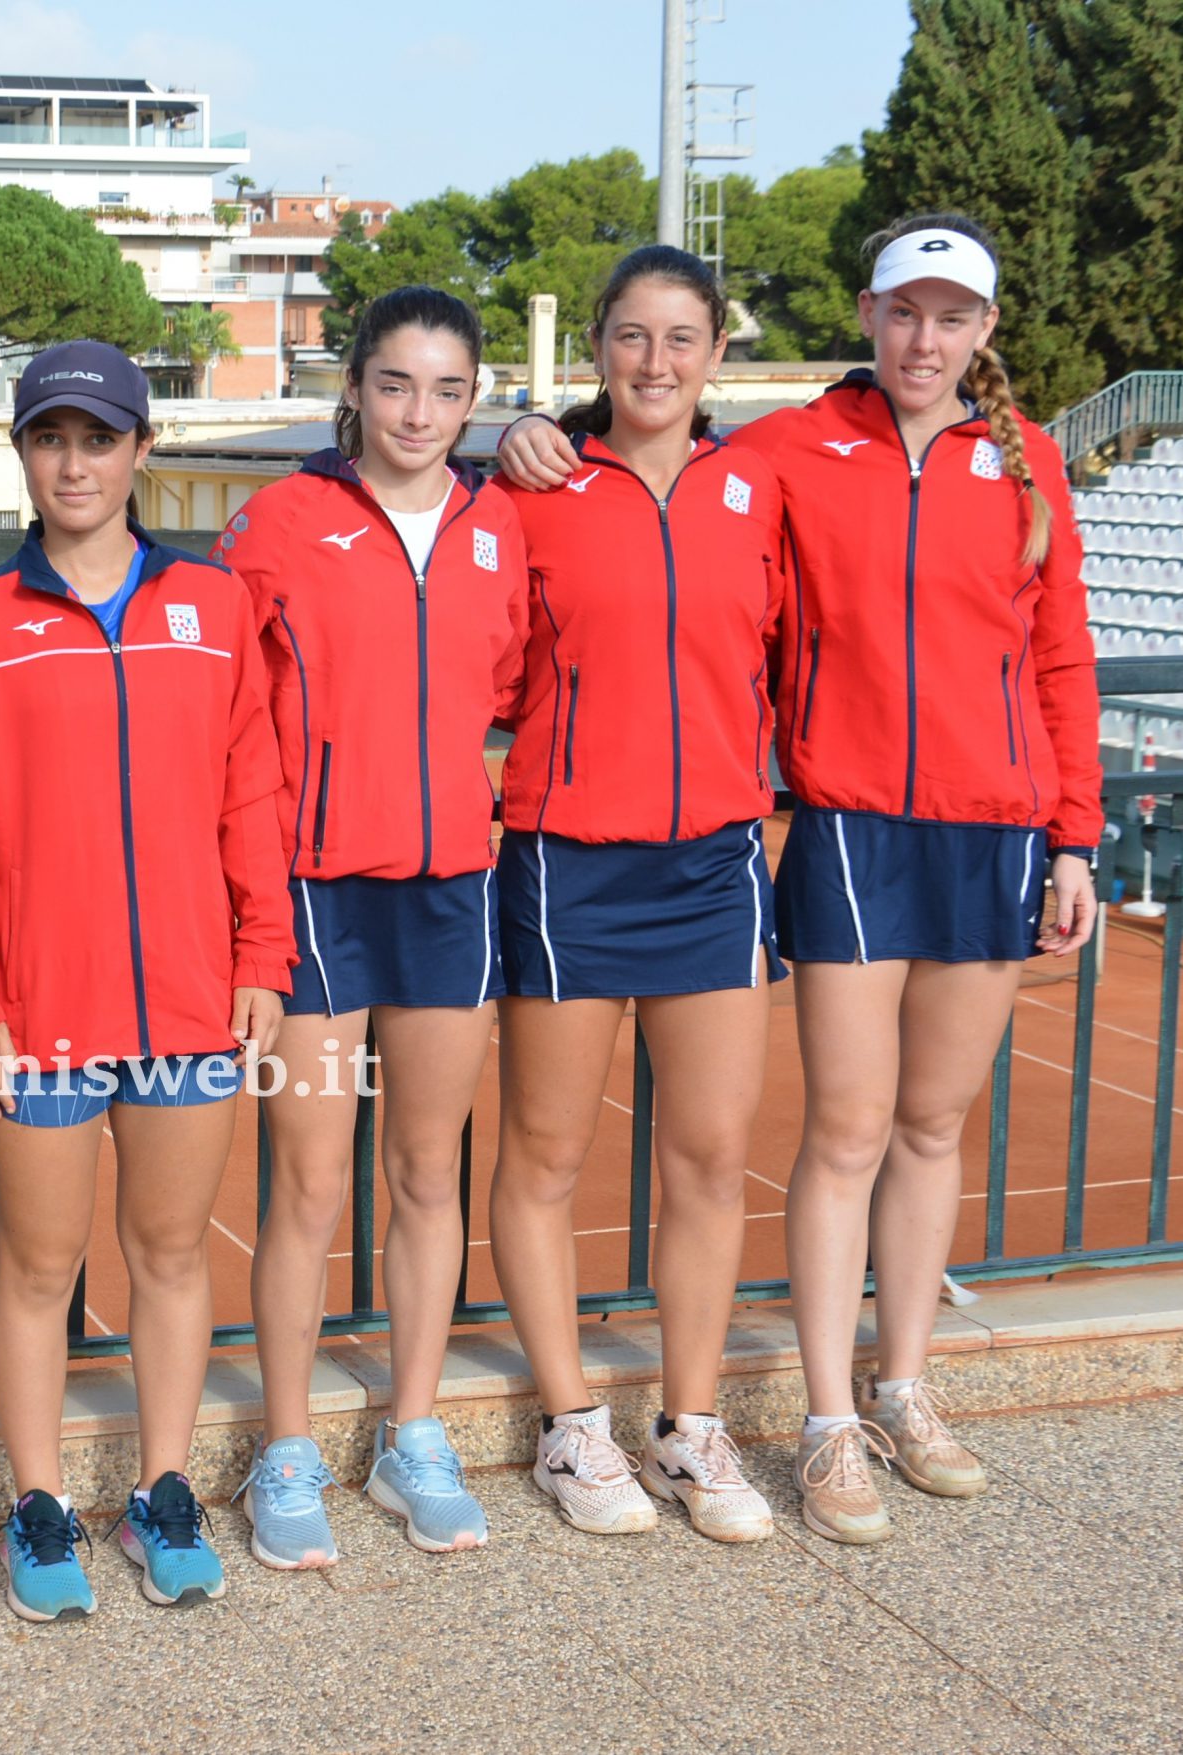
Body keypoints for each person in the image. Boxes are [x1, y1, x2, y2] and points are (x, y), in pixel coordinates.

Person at [496, 213, 1100, 1543]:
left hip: (991, 827)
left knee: (929, 1126)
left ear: (984, 330)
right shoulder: (782, 453)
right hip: (838, 826)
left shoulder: (1026, 460)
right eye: (904, 311)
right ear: (867, 316)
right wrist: (528, 425)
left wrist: (1075, 834)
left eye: (952, 316)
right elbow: (630, 454)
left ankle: (900, 1388)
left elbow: (1060, 654)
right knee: (843, 1127)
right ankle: (822, 1425)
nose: (925, 338)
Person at [0, 341, 295, 1620]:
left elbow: (251, 793)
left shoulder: (215, 605)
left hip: (190, 1000)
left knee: (172, 1254)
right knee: (37, 1265)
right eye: (50, 439)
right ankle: (37, 1505)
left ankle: (161, 1490)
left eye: (99, 439)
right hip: (37, 1013)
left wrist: (261, 953)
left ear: (140, 450)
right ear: (23, 453)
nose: (74, 464)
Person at [220, 286, 528, 1566]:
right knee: (305, 1182)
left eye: (446, 390)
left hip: (449, 886)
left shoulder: (500, 525)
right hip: (315, 887)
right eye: (394, 384)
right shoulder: (279, 524)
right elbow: (231, 712)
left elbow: (502, 681)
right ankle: (286, 1451)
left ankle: (413, 1433)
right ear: (352, 387)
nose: (417, 413)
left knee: (426, 1171)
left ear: (473, 401)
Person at [489, 246, 787, 1544]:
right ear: (596, 349)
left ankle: (690, 1423)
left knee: (710, 1156)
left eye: (679, 338)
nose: (654, 361)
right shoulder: (532, 488)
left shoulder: (760, 485)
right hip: (567, 860)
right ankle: (570, 1423)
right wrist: (508, 437)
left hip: (714, 863)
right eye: (629, 335)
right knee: (545, 1155)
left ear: (716, 352)